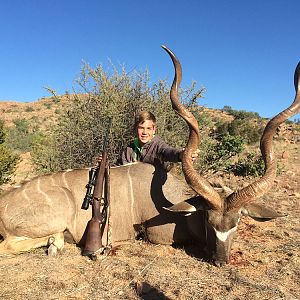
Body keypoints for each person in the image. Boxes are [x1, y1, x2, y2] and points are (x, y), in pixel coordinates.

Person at [114, 111, 199, 170]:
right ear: (135, 128)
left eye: (148, 128)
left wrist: (181, 154)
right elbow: (118, 168)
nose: (145, 132)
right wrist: (103, 164)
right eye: (141, 128)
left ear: (154, 129)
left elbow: (168, 152)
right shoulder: (129, 149)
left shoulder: (158, 145)